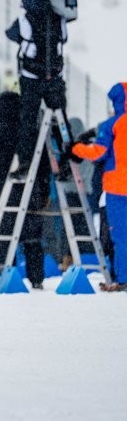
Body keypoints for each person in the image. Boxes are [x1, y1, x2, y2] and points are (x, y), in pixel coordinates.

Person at [0, 92, 50, 289]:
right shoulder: (32, 133)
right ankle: (37, 279)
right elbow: (44, 165)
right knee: (32, 238)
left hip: (1, 194)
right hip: (30, 192)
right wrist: (45, 191)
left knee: (5, 238)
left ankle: (8, 276)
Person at [6, 0, 70, 177]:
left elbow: (11, 33)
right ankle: (67, 157)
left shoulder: (24, 21)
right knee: (61, 121)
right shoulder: (59, 19)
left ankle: (25, 162)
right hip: (55, 79)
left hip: (31, 79)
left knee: (28, 121)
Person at [71, 82, 127, 292]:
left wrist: (76, 148)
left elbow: (98, 152)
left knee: (121, 236)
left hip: (118, 188)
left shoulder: (112, 124)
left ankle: (122, 279)